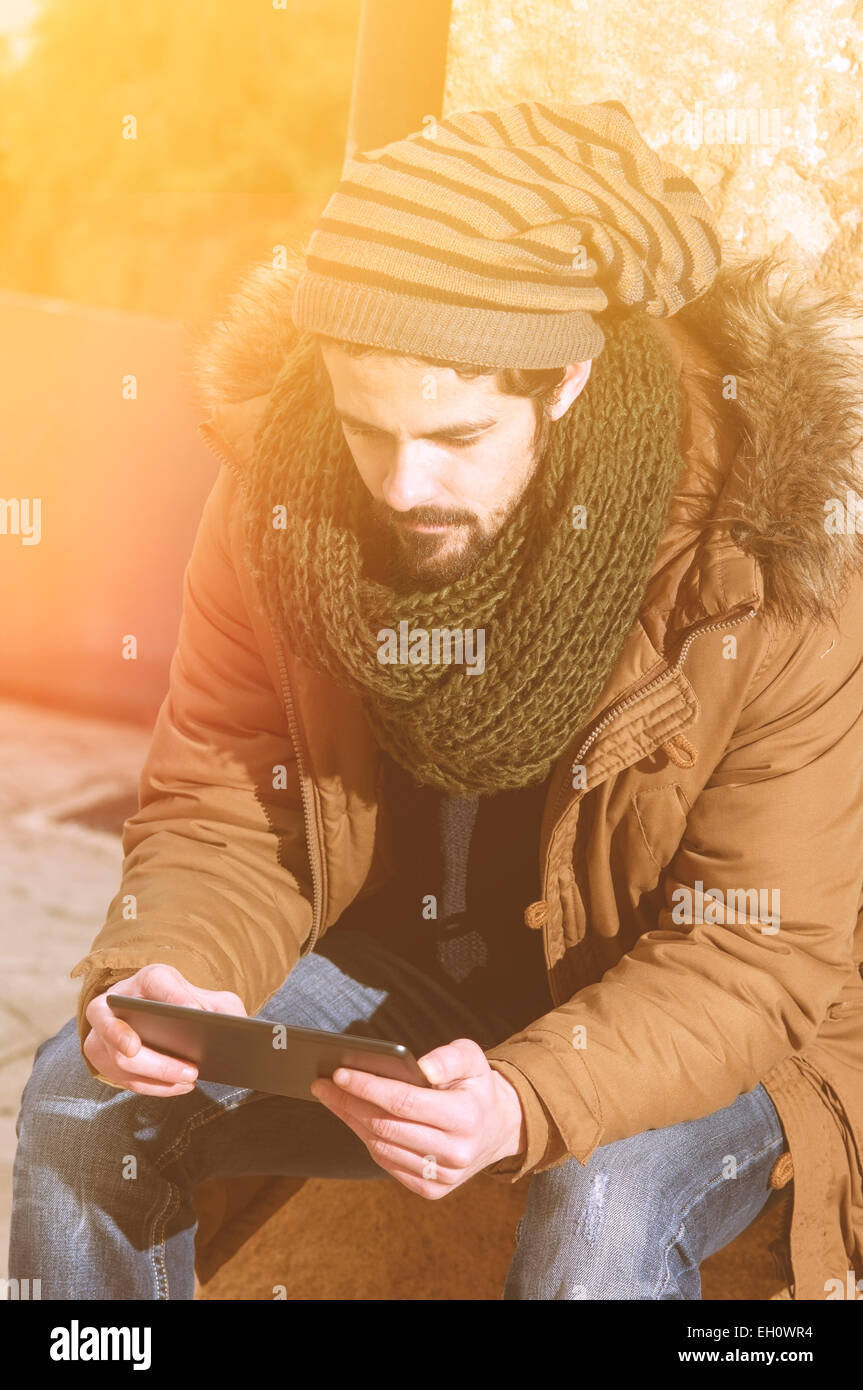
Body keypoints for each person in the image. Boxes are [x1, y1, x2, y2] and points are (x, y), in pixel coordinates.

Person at [10, 99, 863, 1301]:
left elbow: (752, 952)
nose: (408, 483)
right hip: (415, 979)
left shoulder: (758, 564)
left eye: (457, 434)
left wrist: (526, 1095)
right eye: (369, 427)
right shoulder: (281, 499)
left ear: (563, 378)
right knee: (82, 1102)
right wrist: (178, 970)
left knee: (600, 1212)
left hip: (706, 1018)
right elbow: (225, 795)